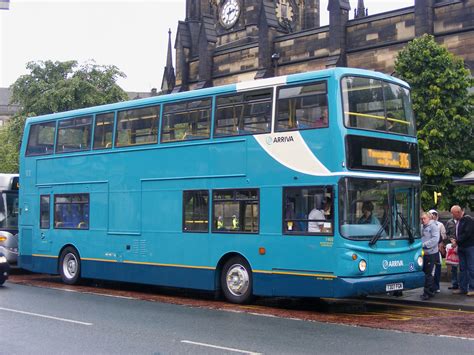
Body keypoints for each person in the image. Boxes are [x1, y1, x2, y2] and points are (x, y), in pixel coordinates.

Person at [450, 205, 474, 296]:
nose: (452, 216)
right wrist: (454, 240)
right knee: (462, 268)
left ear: (458, 212)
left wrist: (457, 241)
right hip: (462, 247)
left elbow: (467, 233)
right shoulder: (459, 221)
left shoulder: (468, 219)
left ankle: (472, 288)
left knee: (471, 268)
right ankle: (463, 288)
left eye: (453, 213)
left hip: (469, 247)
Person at [420, 211, 440, 300]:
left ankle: (427, 293)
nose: (423, 220)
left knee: (429, 273)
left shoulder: (433, 226)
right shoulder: (422, 226)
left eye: (424, 218)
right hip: (424, 253)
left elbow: (435, 239)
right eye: (422, 219)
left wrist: (424, 244)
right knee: (425, 272)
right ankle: (429, 291)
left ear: (429, 218)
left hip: (431, 253)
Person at [429, 209, 446, 293]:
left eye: (434, 215)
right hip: (429, 251)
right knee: (430, 270)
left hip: (437, 250)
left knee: (437, 268)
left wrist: (441, 245)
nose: (433, 216)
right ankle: (430, 287)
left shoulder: (440, 225)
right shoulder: (425, 225)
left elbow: (442, 237)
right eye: (431, 215)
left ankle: (436, 286)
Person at [445, 216, 459, 290]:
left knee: (462, 267)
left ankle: (463, 284)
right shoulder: (449, 222)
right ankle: (454, 284)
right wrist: (450, 239)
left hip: (461, 245)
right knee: (453, 266)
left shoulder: (462, 221)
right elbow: (446, 233)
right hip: (452, 246)